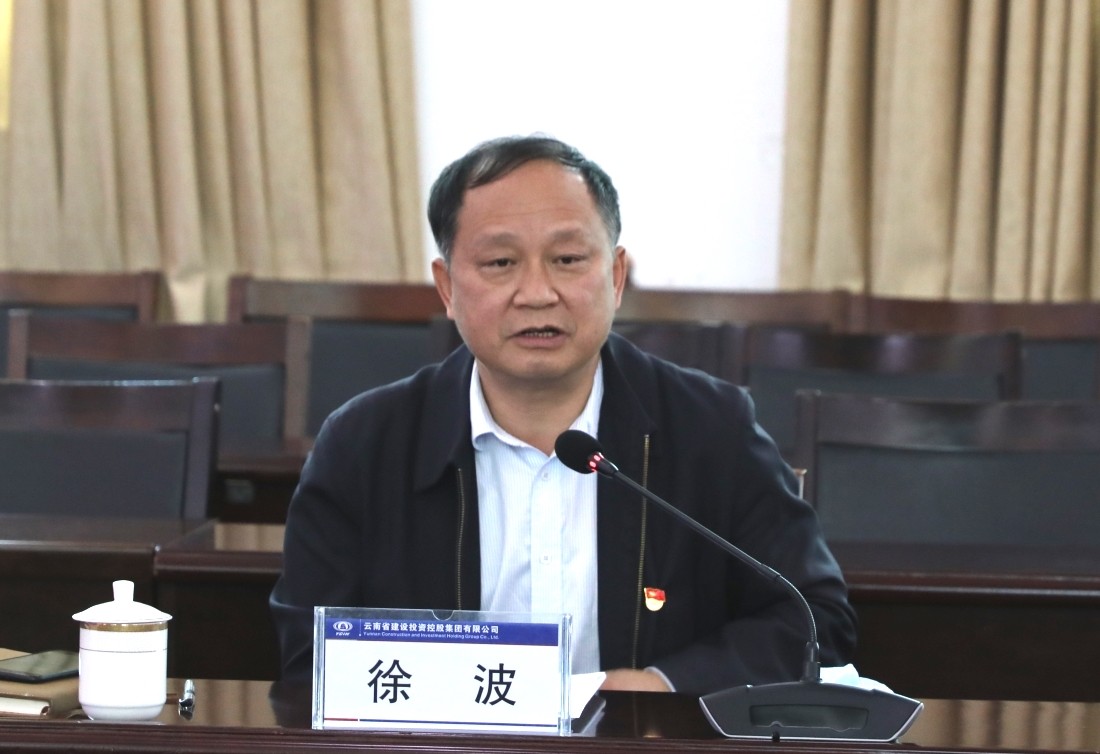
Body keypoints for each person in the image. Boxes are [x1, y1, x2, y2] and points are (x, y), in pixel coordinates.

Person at [269, 135, 856, 695]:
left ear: (616, 277)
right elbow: (309, 658)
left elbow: (814, 619)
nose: (537, 293)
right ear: (447, 288)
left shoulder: (712, 429)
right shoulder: (365, 444)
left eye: (568, 258)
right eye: (500, 262)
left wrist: (663, 687)